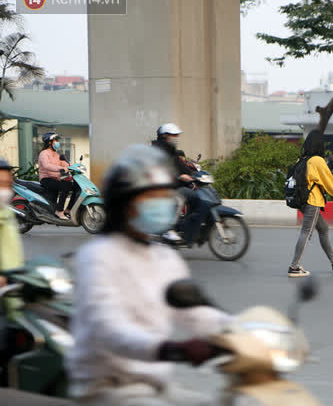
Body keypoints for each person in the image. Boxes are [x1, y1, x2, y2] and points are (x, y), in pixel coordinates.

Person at [66, 144, 231, 406]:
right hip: (108, 388)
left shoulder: (165, 257)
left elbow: (197, 313)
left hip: (156, 384)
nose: (161, 203)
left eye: (164, 196)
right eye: (149, 197)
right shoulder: (99, 256)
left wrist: (241, 332)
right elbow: (109, 329)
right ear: (125, 203)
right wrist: (171, 349)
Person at [289, 130, 333, 277]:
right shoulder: (317, 161)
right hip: (312, 202)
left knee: (323, 229)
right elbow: (330, 183)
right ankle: (294, 267)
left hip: (304, 201)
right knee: (306, 232)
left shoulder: (303, 160)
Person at [152, 123, 202, 245]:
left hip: (172, 184)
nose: (176, 138)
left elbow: (180, 166)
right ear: (164, 136)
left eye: (177, 135)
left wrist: (194, 176)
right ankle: (168, 229)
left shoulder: (170, 150)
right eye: (174, 135)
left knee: (194, 196)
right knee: (179, 198)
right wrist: (180, 177)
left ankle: (185, 227)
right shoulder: (158, 150)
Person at [38, 132, 74, 220]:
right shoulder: (44, 153)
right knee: (66, 185)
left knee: (75, 186)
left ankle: (68, 210)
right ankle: (59, 211)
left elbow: (64, 164)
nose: (58, 142)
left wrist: (70, 166)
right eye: (56, 140)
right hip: (46, 179)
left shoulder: (57, 154)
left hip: (55, 179)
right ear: (49, 142)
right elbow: (47, 165)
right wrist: (60, 168)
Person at [0, 158, 23, 288]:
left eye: (8, 184)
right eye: (0, 184)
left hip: (12, 283)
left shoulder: (7, 212)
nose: (5, 190)